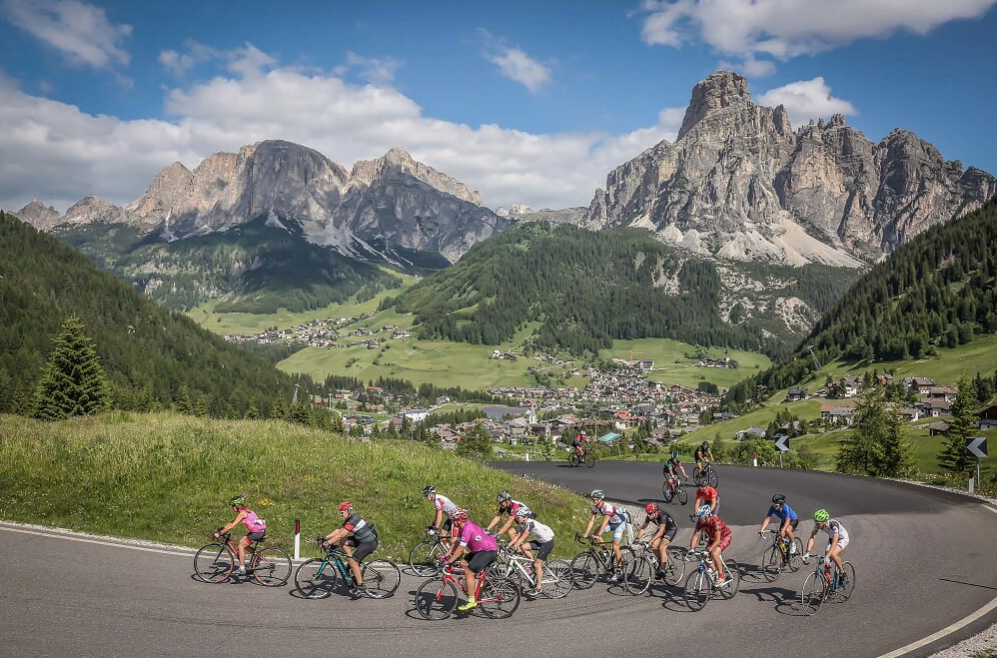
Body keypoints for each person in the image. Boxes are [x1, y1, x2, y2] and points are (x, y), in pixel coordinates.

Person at [439, 508, 499, 611]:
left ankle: (471, 601)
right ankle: (475, 588)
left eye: (453, 520)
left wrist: (450, 561)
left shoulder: (467, 529)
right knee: (463, 563)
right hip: (479, 550)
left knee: (468, 571)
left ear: (459, 520)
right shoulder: (462, 528)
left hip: (488, 551)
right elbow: (457, 543)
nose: (452, 522)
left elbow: (461, 549)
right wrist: (446, 555)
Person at [321, 501, 378, 595]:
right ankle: (350, 559)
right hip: (361, 540)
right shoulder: (349, 519)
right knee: (344, 541)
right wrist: (326, 538)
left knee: (353, 561)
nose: (341, 514)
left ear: (348, 511)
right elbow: (339, 531)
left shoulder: (354, 519)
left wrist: (328, 543)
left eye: (342, 512)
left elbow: (341, 534)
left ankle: (360, 585)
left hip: (369, 542)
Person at [580, 489, 627, 582]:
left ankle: (619, 570)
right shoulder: (595, 507)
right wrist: (586, 533)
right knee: (595, 533)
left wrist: (599, 535)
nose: (593, 501)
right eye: (592, 499)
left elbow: (605, 522)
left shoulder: (607, 507)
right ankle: (605, 551)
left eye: (595, 499)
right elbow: (592, 520)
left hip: (619, 524)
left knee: (615, 546)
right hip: (611, 523)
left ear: (600, 499)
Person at [214, 493, 267, 576]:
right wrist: (223, 528)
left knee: (241, 546)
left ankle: (242, 568)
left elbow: (232, 526)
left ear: (237, 506)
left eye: (233, 506)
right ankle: (258, 557)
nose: (232, 508)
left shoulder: (242, 513)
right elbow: (232, 522)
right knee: (241, 542)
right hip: (257, 531)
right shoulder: (245, 511)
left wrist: (219, 533)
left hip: (257, 532)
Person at [508, 509, 555, 597]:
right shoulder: (523, 524)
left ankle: (539, 587)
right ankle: (533, 563)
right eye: (517, 518)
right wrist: (509, 545)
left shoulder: (530, 524)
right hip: (541, 541)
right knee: (524, 547)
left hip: (547, 543)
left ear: (525, 517)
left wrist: (514, 547)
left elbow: (522, 538)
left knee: (538, 565)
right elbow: (518, 536)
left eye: (518, 517)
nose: (517, 519)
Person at [688, 504, 733, 586]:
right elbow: (695, 535)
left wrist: (708, 550)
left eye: (700, 518)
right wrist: (691, 549)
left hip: (724, 537)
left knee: (714, 554)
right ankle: (714, 570)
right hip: (712, 539)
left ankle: (721, 577)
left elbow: (718, 540)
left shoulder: (715, 522)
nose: (699, 520)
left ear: (706, 516)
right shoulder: (700, 522)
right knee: (703, 556)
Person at [803, 509, 850, 587]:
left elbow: (835, 542)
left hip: (842, 538)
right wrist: (807, 552)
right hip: (832, 539)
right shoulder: (818, 524)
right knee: (827, 565)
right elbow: (812, 537)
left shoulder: (833, 525)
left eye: (818, 523)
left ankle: (842, 573)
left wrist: (828, 556)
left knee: (833, 554)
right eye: (815, 522)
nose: (816, 525)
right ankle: (829, 583)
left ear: (824, 521)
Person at [636, 502, 679, 580]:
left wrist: (650, 540)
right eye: (648, 513)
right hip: (661, 529)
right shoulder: (649, 516)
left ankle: (662, 569)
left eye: (651, 513)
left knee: (662, 547)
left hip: (670, 529)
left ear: (656, 511)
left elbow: (661, 531)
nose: (649, 515)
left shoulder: (663, 515)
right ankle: (660, 559)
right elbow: (643, 528)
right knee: (653, 546)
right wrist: (637, 539)